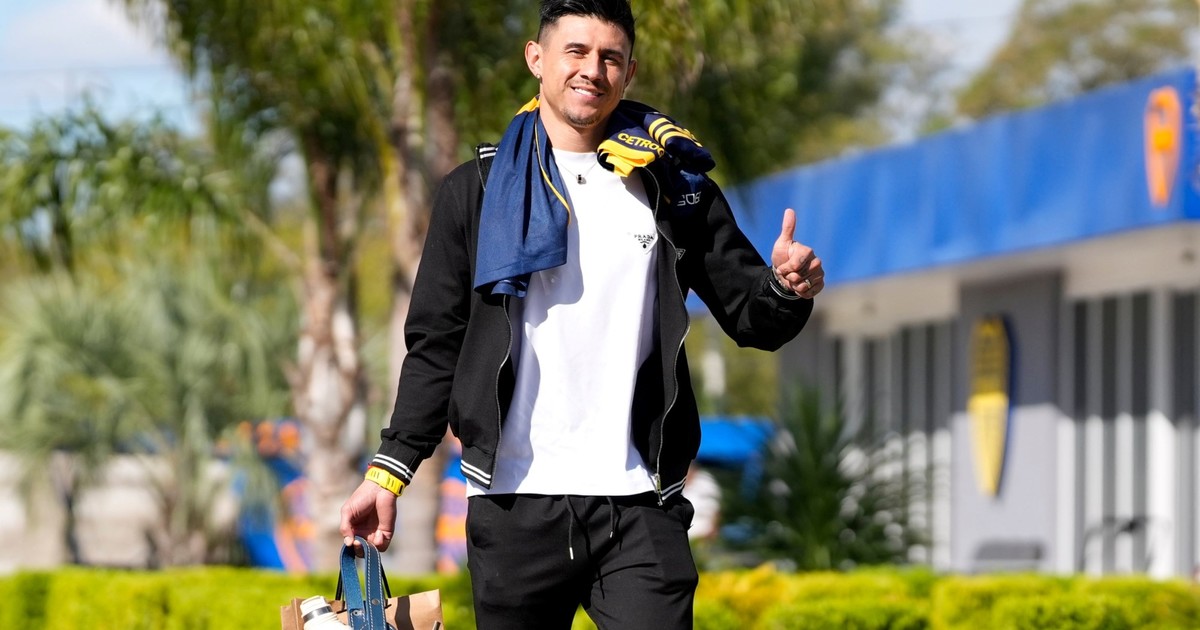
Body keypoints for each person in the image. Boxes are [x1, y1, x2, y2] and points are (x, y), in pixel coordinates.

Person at [340, 1, 824, 627]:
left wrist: (786, 287)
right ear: (536, 58)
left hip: (639, 500)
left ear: (629, 71)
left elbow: (750, 315)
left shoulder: (674, 188)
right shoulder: (476, 191)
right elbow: (437, 344)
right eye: (575, 51)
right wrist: (389, 472)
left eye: (610, 57)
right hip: (514, 502)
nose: (592, 69)